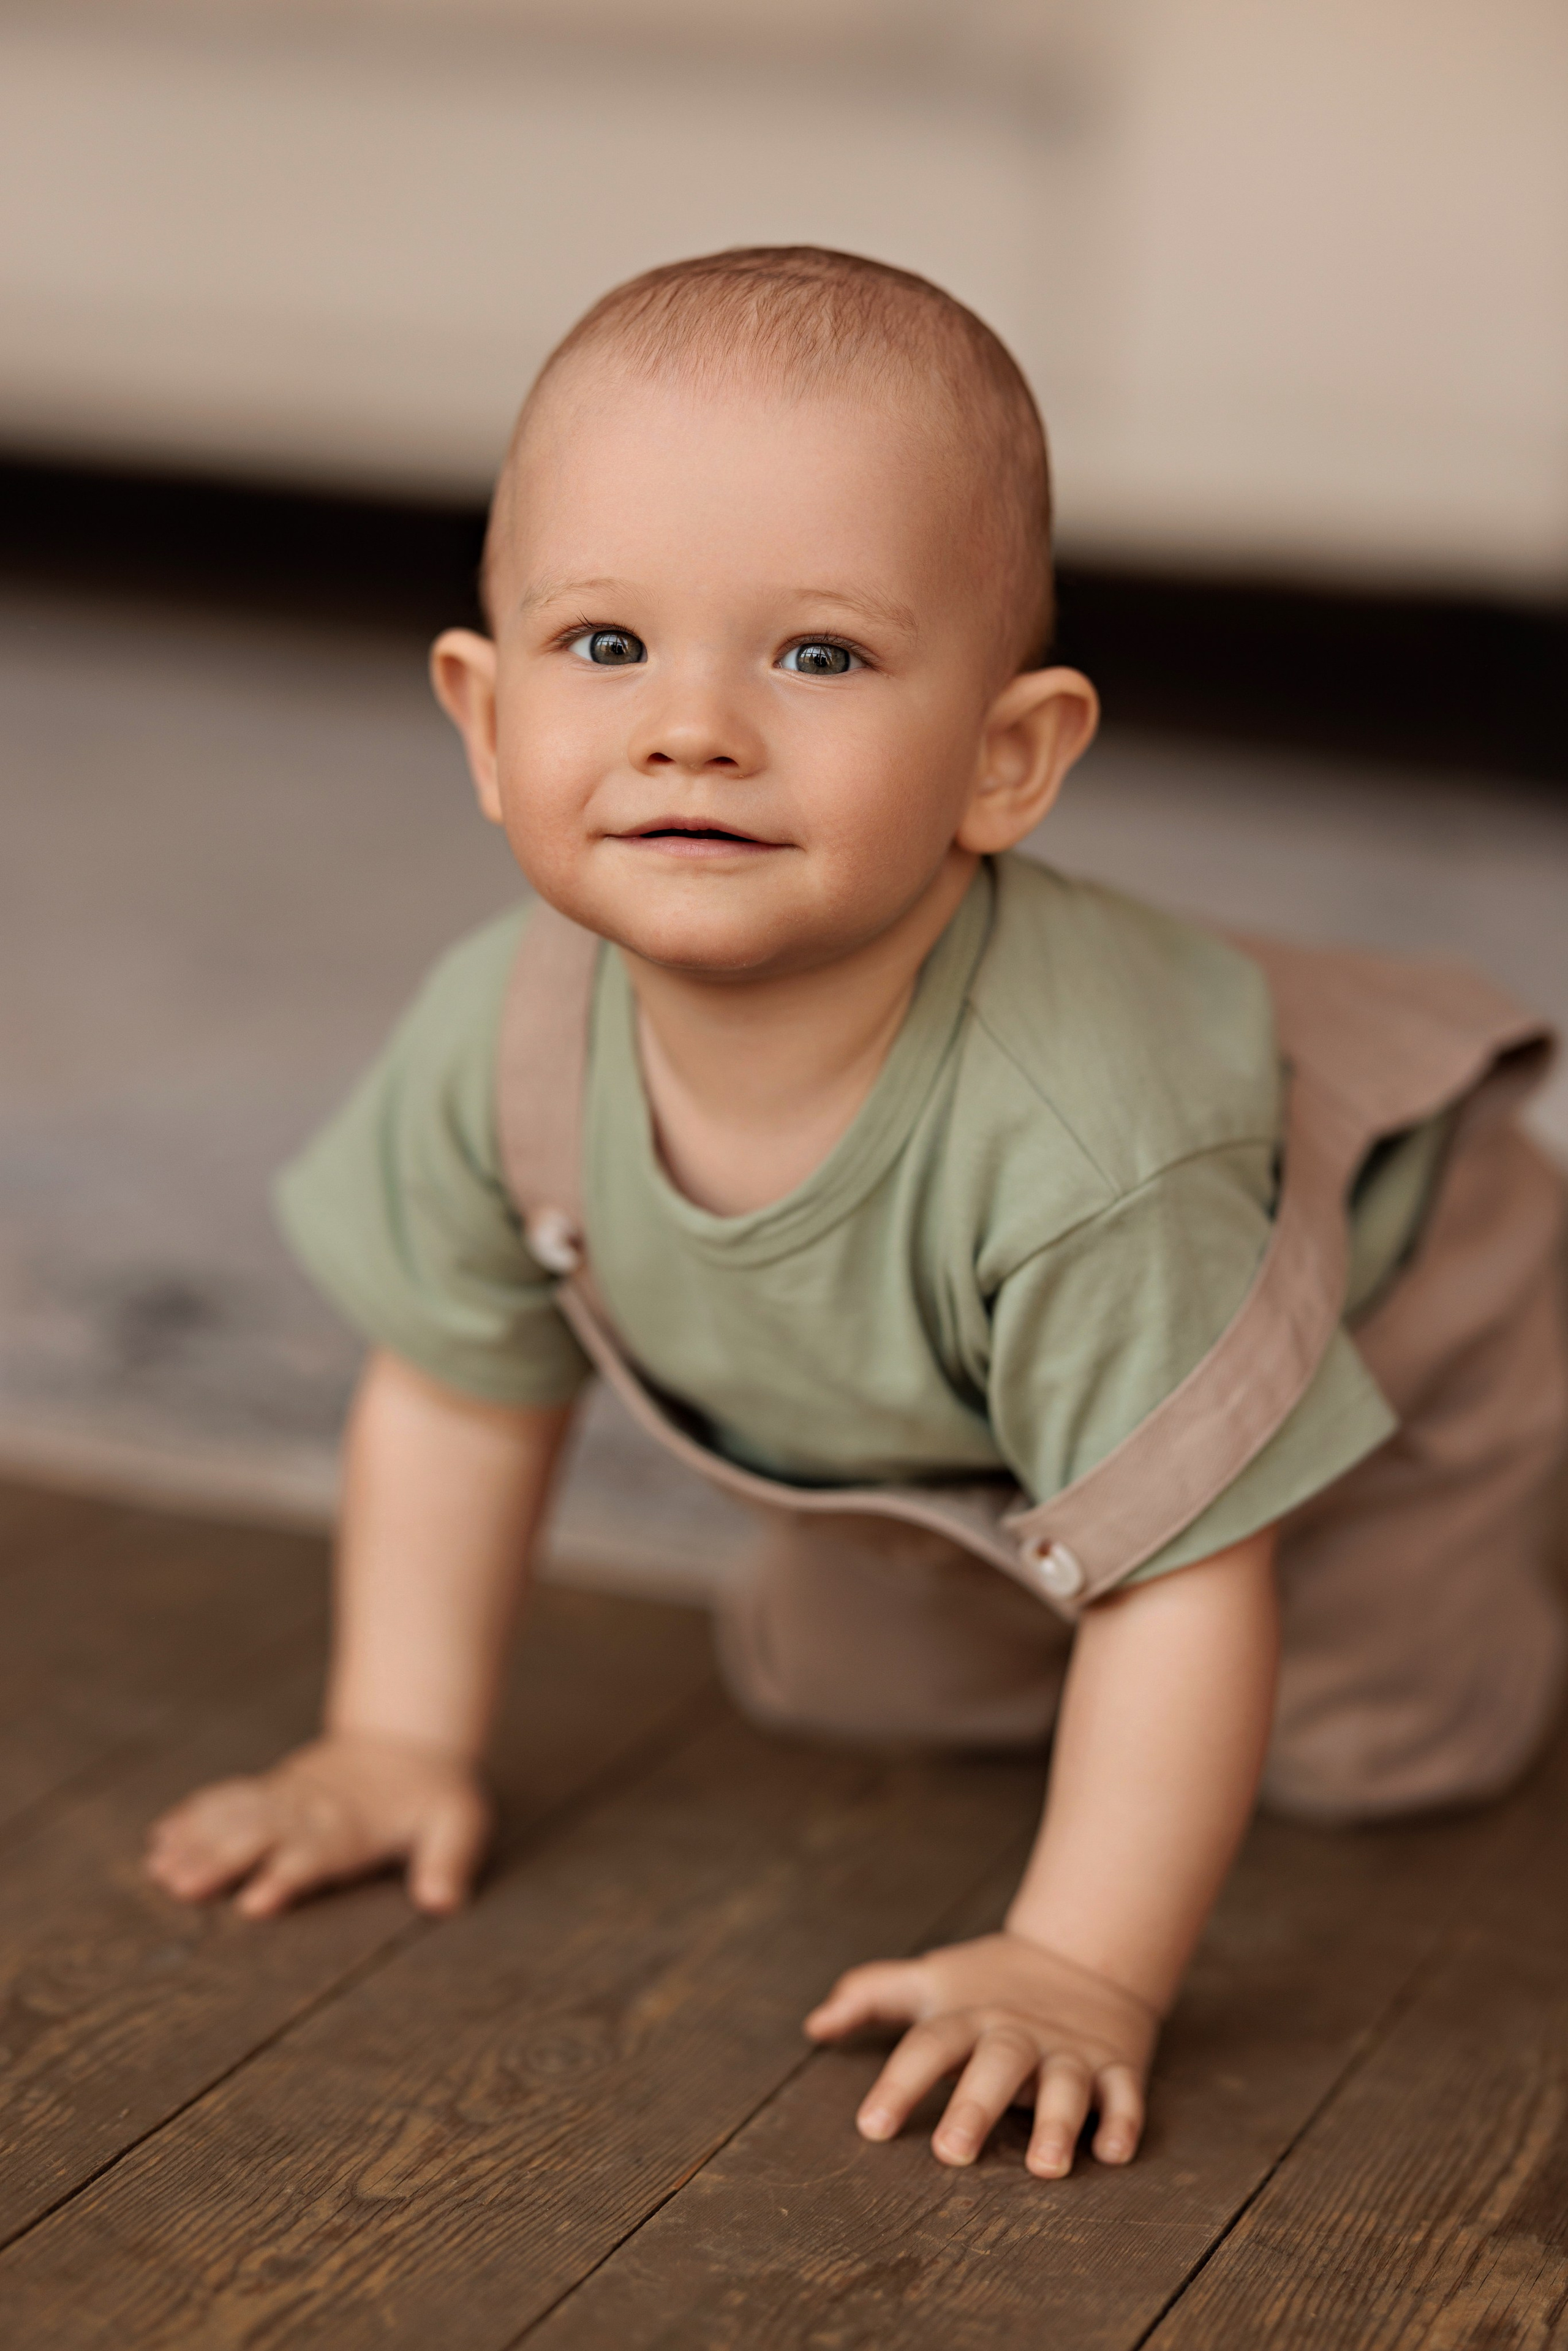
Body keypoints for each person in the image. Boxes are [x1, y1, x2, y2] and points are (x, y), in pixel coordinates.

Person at [144, 247, 1567, 2183]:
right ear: (481, 720)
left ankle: (1422, 1543)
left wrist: (1080, 1966)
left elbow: (1185, 1584)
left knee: (1362, 1747)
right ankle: (1061, 1480)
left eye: (816, 657)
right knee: (840, 1686)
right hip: (958, 1405)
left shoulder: (1091, 1145)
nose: (692, 729)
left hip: (1417, 1301)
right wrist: (394, 1739)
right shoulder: (505, 1033)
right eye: (605, 644)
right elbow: (461, 1391)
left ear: (1006, 758)